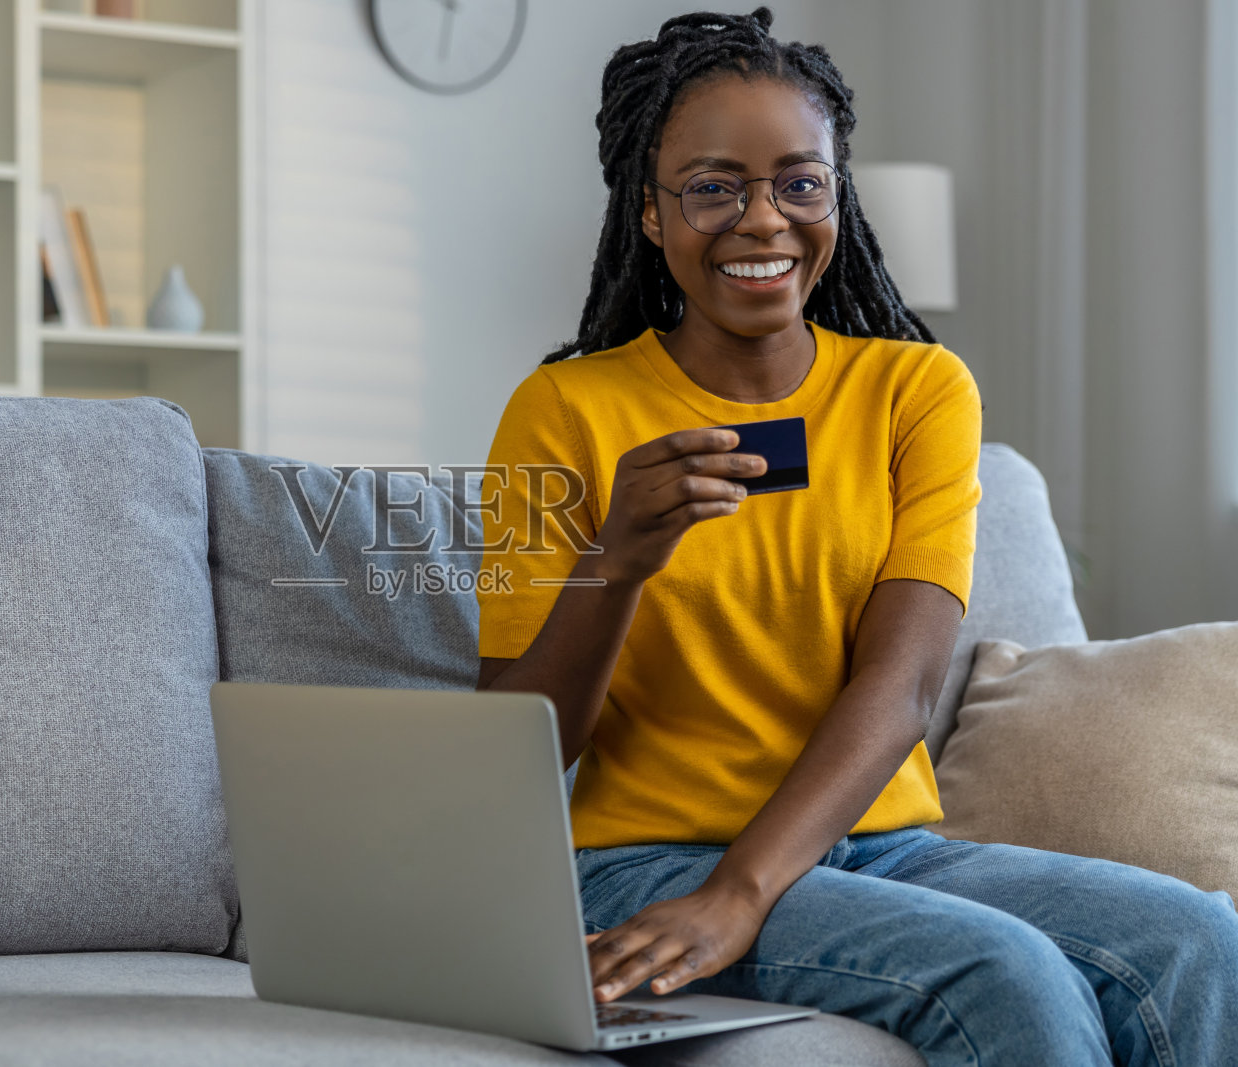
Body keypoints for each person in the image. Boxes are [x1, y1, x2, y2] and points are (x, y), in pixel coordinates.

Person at [474, 7, 1238, 1065]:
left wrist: (747, 892)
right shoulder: (558, 412)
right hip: (647, 860)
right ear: (650, 213)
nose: (762, 220)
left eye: (799, 180)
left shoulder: (914, 390)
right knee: (1006, 974)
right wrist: (616, 564)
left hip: (884, 848)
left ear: (835, 193)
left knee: (1201, 936)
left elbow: (903, 685)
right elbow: (517, 745)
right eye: (711, 186)